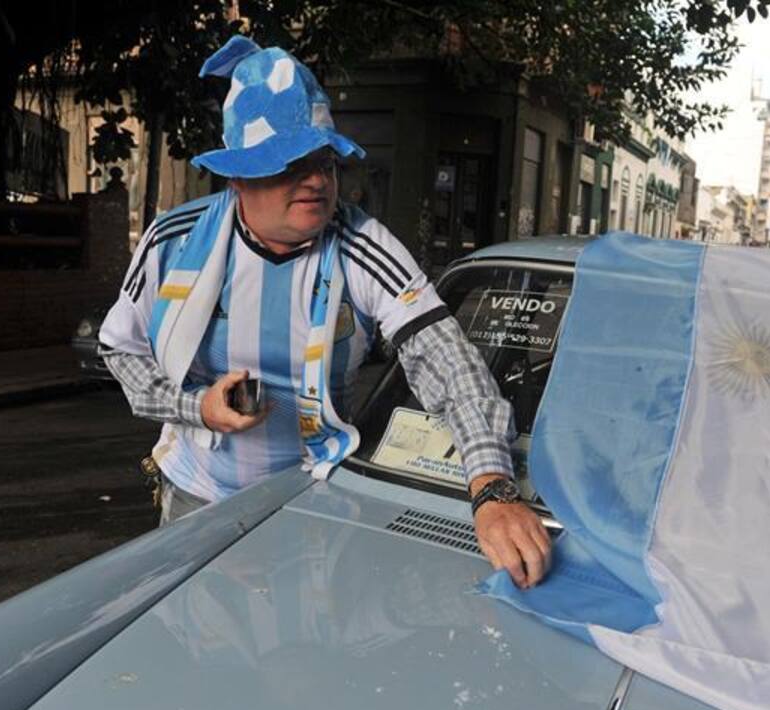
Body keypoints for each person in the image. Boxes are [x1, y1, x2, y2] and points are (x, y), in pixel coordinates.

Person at [98, 36, 550, 588]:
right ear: (239, 177)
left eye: (324, 161)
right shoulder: (174, 241)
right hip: (196, 495)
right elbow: (120, 347)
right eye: (290, 163)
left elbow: (446, 357)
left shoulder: (364, 246)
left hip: (317, 496)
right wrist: (195, 407)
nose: (316, 179)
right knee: (196, 641)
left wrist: (491, 486)